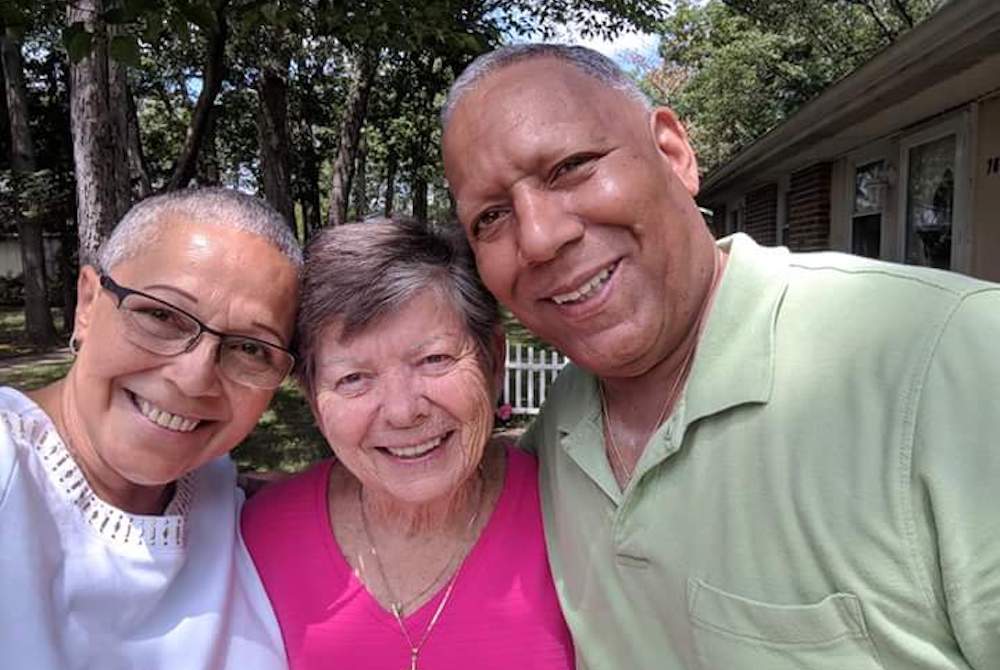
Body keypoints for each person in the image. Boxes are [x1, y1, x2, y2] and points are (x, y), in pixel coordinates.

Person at [441, 43, 1000, 669]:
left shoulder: (955, 355)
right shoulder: (560, 430)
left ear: (674, 153)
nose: (540, 237)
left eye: (572, 166)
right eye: (491, 216)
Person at [241, 218, 574, 670]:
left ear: (494, 361)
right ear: (315, 402)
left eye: (434, 359)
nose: (402, 411)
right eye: (353, 378)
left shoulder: (573, 519)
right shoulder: (259, 540)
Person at [0, 188, 300, 669]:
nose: (194, 377)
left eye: (249, 348)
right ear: (88, 303)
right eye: (161, 315)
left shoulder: (220, 496)